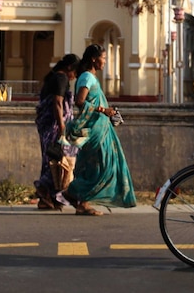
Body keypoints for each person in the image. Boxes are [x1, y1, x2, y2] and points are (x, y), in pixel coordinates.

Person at [62, 44, 136, 215]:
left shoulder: (88, 77)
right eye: (103, 58)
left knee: (95, 167)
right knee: (102, 168)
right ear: (94, 59)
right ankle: (72, 192)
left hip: (99, 129)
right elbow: (79, 101)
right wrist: (104, 110)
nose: (105, 61)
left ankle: (83, 203)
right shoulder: (87, 77)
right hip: (95, 131)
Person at [34, 53, 80, 212]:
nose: (75, 76)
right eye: (75, 72)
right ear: (69, 68)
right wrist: (61, 126)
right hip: (54, 125)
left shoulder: (53, 77)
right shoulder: (61, 79)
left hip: (47, 124)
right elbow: (58, 102)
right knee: (57, 159)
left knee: (52, 159)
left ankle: (49, 198)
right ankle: (45, 192)